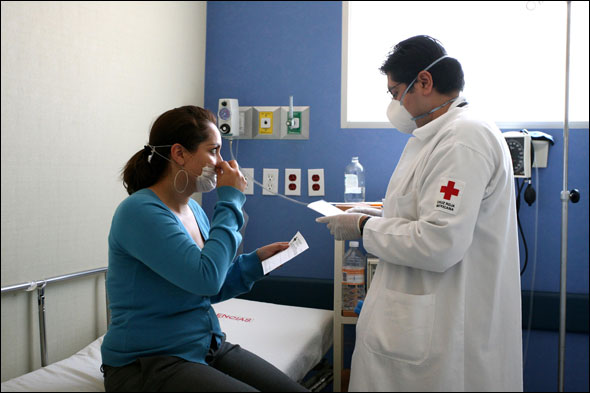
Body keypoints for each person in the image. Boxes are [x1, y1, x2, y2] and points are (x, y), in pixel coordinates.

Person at [316, 35, 523, 391]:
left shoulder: (463, 139)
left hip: (441, 339)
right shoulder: (440, 135)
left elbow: (439, 242)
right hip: (419, 326)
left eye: (396, 92)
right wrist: (379, 213)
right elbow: (424, 211)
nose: (395, 104)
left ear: (424, 82)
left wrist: (364, 226)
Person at [101, 105, 308, 392]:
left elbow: (209, 286)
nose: (221, 163)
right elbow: (205, 278)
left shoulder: (194, 211)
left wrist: (255, 263)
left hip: (205, 347)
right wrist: (230, 200)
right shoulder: (139, 212)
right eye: (213, 151)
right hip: (149, 363)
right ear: (179, 153)